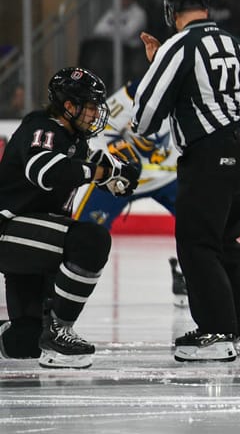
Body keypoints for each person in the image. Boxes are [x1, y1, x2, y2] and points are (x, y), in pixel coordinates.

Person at [132, 0, 240, 362]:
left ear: (171, 13)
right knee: (225, 241)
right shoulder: (233, 44)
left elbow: (145, 116)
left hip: (209, 153)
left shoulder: (178, 45)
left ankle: (216, 332)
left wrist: (156, 65)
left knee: (197, 244)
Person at [0, 68, 140, 368]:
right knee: (91, 240)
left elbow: (83, 164)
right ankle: (60, 330)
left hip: (29, 240)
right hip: (9, 230)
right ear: (68, 105)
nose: (94, 113)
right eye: (89, 106)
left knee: (26, 342)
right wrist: (103, 172)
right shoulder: (43, 128)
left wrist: (115, 171)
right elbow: (50, 173)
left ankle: (46, 334)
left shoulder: (71, 138)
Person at [73, 80, 191, 332]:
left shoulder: (189, 93)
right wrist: (109, 160)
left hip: (168, 177)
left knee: (199, 223)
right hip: (123, 177)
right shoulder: (134, 92)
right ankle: (55, 288)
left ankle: (185, 271)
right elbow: (98, 130)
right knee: (81, 231)